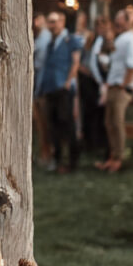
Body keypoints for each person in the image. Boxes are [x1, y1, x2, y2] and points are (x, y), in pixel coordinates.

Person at [35, 11, 82, 173]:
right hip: (50, 88)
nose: (51, 25)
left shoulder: (71, 40)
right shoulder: (50, 42)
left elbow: (76, 63)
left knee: (67, 126)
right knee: (53, 126)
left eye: (54, 21)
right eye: (49, 22)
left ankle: (72, 162)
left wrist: (68, 83)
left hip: (63, 89)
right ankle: (57, 160)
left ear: (62, 21)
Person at [100, 7, 133, 173]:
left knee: (117, 124)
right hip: (112, 86)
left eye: (119, 18)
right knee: (109, 123)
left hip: (120, 88)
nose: (116, 21)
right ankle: (112, 157)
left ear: (127, 21)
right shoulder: (121, 38)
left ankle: (119, 159)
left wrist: (124, 85)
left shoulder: (131, 39)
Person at [78, 15, 111, 162]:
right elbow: (82, 61)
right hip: (88, 81)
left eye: (103, 26)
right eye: (98, 26)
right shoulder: (90, 41)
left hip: (100, 81)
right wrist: (87, 72)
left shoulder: (107, 42)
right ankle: (89, 143)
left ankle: (100, 143)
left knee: (101, 113)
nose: (101, 29)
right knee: (89, 112)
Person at [32, 12, 52, 166]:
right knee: (40, 124)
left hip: (42, 86)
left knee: (44, 124)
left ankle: (47, 155)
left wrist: (39, 89)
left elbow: (42, 65)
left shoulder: (45, 38)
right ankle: (43, 154)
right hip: (39, 85)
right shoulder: (40, 37)